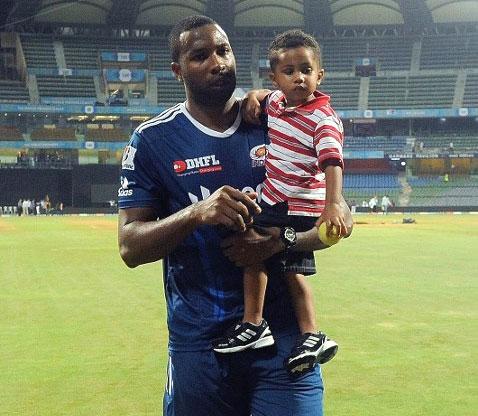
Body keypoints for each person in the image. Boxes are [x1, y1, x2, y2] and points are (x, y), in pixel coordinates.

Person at [118, 15, 352, 416]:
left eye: (224, 51)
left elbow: (335, 216)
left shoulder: (273, 120)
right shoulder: (153, 140)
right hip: (201, 341)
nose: (217, 62)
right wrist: (195, 213)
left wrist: (282, 241)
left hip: (283, 337)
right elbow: (129, 246)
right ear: (178, 71)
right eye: (200, 55)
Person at [212, 30, 347, 378]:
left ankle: (259, 325)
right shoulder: (275, 103)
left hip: (297, 205)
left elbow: (332, 160)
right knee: (288, 272)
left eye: (306, 69)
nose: (299, 77)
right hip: (279, 200)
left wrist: (333, 203)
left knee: (259, 254)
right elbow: (259, 97)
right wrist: (255, 95)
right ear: (275, 78)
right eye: (289, 71)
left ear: (320, 74)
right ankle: (305, 334)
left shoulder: (323, 117)